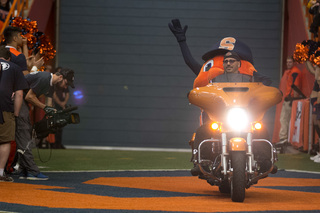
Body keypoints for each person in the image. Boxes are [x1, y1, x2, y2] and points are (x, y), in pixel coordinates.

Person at [16, 68, 75, 180]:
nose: (66, 87)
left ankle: (24, 169)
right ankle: (31, 171)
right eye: (66, 83)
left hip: (20, 98)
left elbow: (43, 101)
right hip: (17, 98)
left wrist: (50, 111)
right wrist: (45, 108)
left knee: (25, 133)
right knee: (24, 132)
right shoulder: (45, 79)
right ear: (61, 77)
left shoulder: (49, 81)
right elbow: (29, 97)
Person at [0, 45, 28, 182]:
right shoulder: (15, 68)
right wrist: (15, 114)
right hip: (5, 107)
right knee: (4, 141)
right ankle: (0, 172)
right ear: (9, 58)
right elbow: (19, 94)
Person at [276, 56, 302, 146]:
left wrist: (293, 99)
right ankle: (285, 138)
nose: (288, 64)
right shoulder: (290, 72)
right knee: (285, 119)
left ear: (294, 63)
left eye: (290, 62)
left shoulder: (295, 72)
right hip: (288, 98)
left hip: (290, 99)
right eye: (287, 62)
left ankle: (284, 138)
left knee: (284, 119)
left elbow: (296, 87)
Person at [52, 68, 73, 149]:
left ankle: (58, 144)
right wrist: (60, 104)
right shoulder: (55, 84)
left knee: (61, 125)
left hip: (62, 107)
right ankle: (53, 144)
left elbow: (67, 94)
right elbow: (54, 95)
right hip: (56, 107)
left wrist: (63, 103)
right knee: (55, 125)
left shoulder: (65, 84)